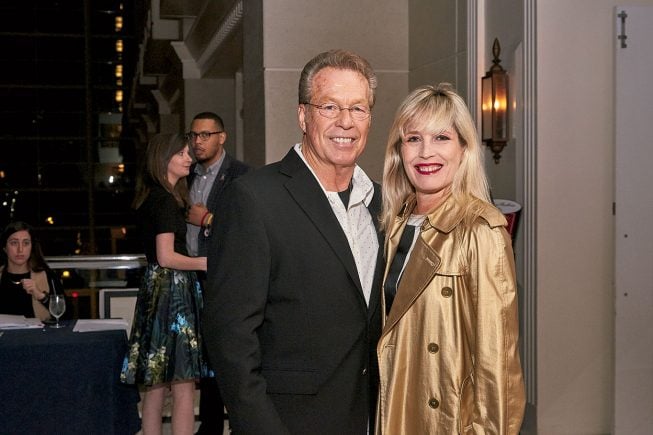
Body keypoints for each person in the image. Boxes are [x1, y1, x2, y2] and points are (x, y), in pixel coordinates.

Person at [202, 49, 384, 434]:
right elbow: (230, 338)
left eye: (358, 109)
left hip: (375, 418)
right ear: (303, 115)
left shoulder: (383, 203)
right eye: (330, 107)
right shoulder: (252, 199)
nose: (345, 122)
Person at [376, 83, 525, 434]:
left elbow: (497, 360)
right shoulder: (394, 222)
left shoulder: (481, 229)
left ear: (463, 148)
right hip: (395, 407)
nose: (426, 152)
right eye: (413, 139)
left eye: (441, 137)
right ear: (399, 151)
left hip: (446, 420)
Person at [120, 133, 209, 435]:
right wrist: (205, 262)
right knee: (183, 385)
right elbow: (167, 257)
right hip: (173, 293)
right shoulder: (166, 201)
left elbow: (158, 258)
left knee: (155, 387)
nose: (189, 158)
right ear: (163, 160)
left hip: (154, 290)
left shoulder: (151, 198)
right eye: (182, 154)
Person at [185, 112, 252, 435]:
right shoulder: (187, 176)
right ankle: (209, 424)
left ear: (222, 138)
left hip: (224, 278)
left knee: (226, 352)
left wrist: (208, 219)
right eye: (194, 135)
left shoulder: (241, 176)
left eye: (206, 135)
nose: (199, 141)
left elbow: (246, 229)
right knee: (202, 356)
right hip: (190, 276)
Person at [0, 221, 63, 321]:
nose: (20, 249)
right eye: (14, 243)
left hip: (39, 335)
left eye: (26, 243)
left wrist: (41, 296)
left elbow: (65, 315)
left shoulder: (47, 275)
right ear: (4, 247)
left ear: (32, 247)